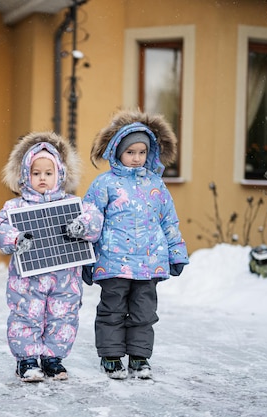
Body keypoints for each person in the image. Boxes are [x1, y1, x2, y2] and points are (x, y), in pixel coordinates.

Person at [83, 109, 189, 380]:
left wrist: (176, 253)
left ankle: (140, 357)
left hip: (149, 263)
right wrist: (86, 256)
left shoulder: (156, 184)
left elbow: (169, 221)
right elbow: (91, 220)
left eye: (142, 152)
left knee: (144, 312)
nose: (137, 158)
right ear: (118, 151)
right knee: (112, 309)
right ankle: (110, 356)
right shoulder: (104, 184)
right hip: (113, 262)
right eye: (131, 152)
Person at [0, 131, 103, 382]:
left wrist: (82, 226)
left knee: (62, 316)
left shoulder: (74, 203)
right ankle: (27, 359)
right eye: (36, 173)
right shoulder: (15, 207)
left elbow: (95, 220)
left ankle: (53, 359)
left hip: (65, 278)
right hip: (27, 280)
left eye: (48, 173)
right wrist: (14, 239)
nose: (42, 178)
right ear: (25, 176)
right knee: (25, 315)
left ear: (60, 175)